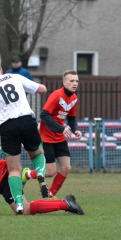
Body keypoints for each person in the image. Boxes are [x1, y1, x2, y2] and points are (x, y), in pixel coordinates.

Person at [0, 60, 48, 214]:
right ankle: (40, 172)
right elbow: (42, 89)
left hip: (7, 126)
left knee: (14, 169)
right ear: (1, 70)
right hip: (26, 120)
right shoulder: (15, 77)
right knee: (37, 153)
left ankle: (19, 203)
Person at [22, 70, 82, 199]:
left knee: (66, 168)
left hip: (60, 138)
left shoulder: (74, 98)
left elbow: (71, 118)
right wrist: (61, 128)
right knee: (50, 172)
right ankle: (26, 174)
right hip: (47, 138)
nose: (75, 83)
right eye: (71, 81)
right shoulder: (56, 95)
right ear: (64, 82)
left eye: (76, 81)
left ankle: (49, 196)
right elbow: (44, 115)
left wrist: (76, 129)